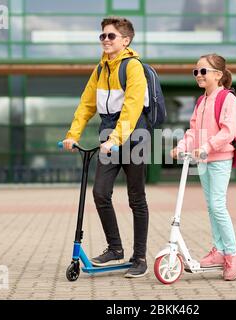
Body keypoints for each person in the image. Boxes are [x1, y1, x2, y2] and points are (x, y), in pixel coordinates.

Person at [62, 17, 149, 278]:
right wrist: (72, 134)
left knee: (137, 198)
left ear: (126, 40)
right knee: (100, 193)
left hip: (135, 134)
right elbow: (87, 104)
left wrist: (116, 139)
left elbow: (133, 107)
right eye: (102, 36)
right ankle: (115, 248)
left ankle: (140, 257)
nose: (105, 40)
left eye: (111, 36)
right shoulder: (100, 69)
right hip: (109, 133)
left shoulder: (133, 67)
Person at [170, 53, 236, 281]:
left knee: (218, 206)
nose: (198, 75)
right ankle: (218, 251)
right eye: (196, 72)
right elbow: (193, 131)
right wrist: (181, 146)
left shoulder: (227, 100)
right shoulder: (201, 101)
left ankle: (232, 253)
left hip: (219, 159)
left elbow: (229, 131)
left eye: (203, 71)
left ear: (218, 75)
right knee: (211, 207)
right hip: (202, 160)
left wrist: (207, 147)